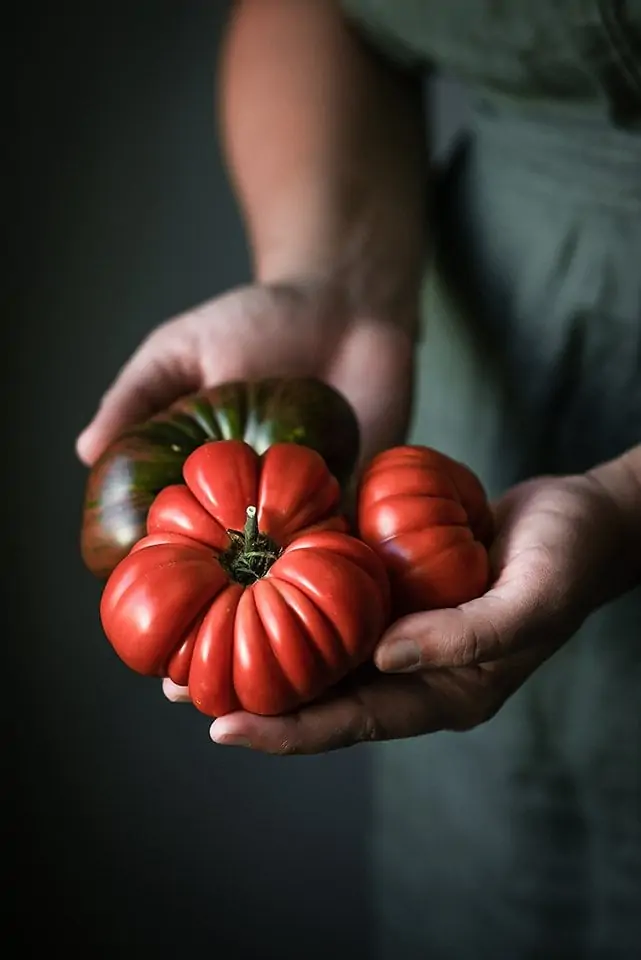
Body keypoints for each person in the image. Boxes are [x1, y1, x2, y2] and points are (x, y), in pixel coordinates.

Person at [76, 1, 641, 956]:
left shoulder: (293, 528)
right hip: (463, 384)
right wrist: (327, 280)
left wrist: (627, 510)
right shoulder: (339, 510)